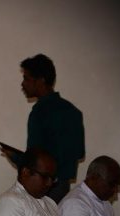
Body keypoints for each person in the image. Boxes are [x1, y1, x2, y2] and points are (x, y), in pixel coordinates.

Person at [20, 54, 84, 203]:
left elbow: (34, 159)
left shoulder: (39, 112)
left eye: (26, 78)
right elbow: (79, 153)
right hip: (63, 188)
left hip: (40, 188)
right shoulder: (73, 112)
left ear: (41, 80)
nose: (22, 84)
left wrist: (16, 157)